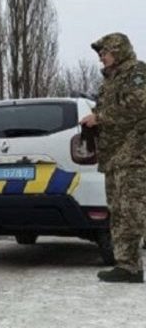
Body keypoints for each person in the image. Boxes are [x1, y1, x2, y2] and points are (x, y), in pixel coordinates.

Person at [80, 32, 146, 283]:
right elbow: (107, 110)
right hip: (115, 157)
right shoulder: (109, 81)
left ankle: (129, 265)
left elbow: (139, 105)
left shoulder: (136, 72)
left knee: (135, 210)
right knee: (118, 212)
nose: (102, 58)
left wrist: (101, 117)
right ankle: (128, 267)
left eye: (105, 53)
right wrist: (93, 120)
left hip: (135, 154)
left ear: (118, 51)